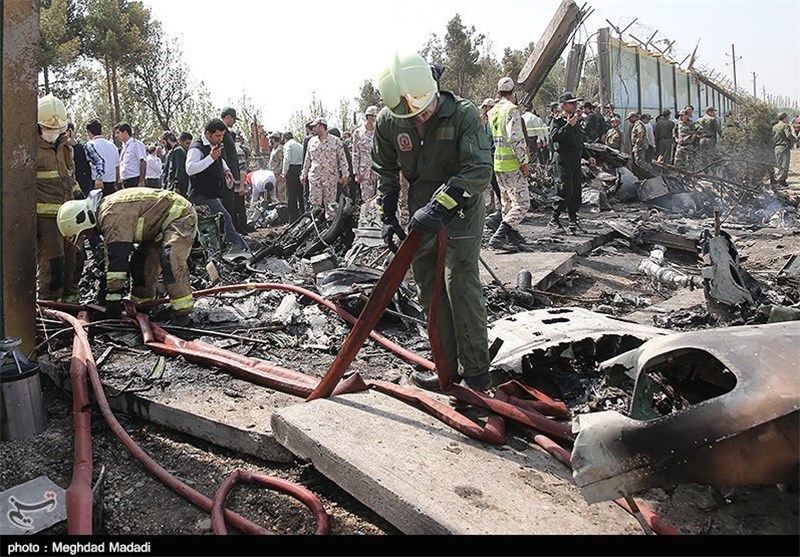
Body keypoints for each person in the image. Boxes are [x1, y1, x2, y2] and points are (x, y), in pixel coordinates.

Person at [372, 51, 493, 393]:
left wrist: (441, 207)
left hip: (461, 211)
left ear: (433, 86)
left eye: (423, 107)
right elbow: (385, 169)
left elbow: (479, 171)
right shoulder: (389, 121)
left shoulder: (465, 115)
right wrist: (388, 213)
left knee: (459, 283)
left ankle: (476, 373)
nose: (418, 115)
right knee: (430, 288)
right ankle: (447, 369)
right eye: (408, 114)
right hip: (419, 213)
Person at [56, 188, 197, 324]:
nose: (87, 236)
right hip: (157, 226)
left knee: (170, 258)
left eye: (84, 233)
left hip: (180, 216)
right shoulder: (105, 216)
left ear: (84, 219)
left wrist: (113, 299)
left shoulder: (111, 214)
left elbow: (118, 259)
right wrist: (105, 290)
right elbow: (110, 259)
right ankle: (144, 307)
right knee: (141, 264)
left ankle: (182, 314)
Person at [35, 94, 83, 304]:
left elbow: (69, 177)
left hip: (69, 215)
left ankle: (71, 301)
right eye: (49, 129)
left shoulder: (65, 147)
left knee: (75, 259)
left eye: (57, 129)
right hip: (46, 218)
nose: (53, 133)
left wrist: (81, 199)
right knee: (53, 262)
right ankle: (49, 305)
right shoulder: (31, 149)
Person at [186, 118, 250, 256]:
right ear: (208, 134)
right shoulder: (196, 148)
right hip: (202, 195)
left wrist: (226, 170)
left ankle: (222, 253)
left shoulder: (213, 144)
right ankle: (242, 251)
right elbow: (190, 169)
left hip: (212, 193)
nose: (220, 139)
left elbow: (219, 160)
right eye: (218, 136)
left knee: (217, 225)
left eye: (222, 135)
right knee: (225, 219)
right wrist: (210, 158)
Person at [487, 76, 531, 251]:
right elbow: (514, 138)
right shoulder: (511, 110)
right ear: (513, 92)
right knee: (522, 203)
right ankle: (499, 236)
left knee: (507, 203)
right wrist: (524, 162)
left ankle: (510, 236)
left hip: (498, 162)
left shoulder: (493, 111)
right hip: (512, 163)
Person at [548, 91, 596, 234]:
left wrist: (588, 156)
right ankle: (554, 219)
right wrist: (568, 125)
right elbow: (555, 137)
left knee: (576, 192)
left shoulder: (576, 122)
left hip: (575, 160)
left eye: (575, 103)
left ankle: (573, 220)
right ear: (563, 106)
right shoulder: (557, 121)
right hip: (563, 160)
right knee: (564, 190)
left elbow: (579, 142)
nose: (574, 105)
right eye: (571, 103)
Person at [300, 117, 349, 222]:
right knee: (315, 206)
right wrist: (303, 174)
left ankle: (330, 228)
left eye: (315, 126)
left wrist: (345, 175)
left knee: (330, 207)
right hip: (315, 179)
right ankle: (315, 229)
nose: (313, 128)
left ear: (322, 126)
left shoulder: (336, 141)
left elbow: (342, 159)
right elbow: (307, 160)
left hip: (330, 179)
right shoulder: (311, 142)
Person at [351, 105, 381, 226]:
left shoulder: (380, 131)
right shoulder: (358, 132)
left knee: (380, 198)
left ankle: (380, 223)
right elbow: (355, 153)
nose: (375, 119)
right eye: (374, 116)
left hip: (379, 170)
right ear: (368, 117)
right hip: (365, 172)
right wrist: (356, 173)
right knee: (367, 200)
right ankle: (368, 224)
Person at [220, 107, 246, 234]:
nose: (234, 121)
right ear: (228, 117)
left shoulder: (227, 133)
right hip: (226, 175)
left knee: (233, 206)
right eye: (234, 119)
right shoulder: (222, 132)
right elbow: (222, 154)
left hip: (230, 175)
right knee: (229, 207)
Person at [66, 122, 104, 199]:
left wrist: (98, 178)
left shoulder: (84, 147)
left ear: (70, 131)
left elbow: (99, 161)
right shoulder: (57, 148)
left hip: (84, 187)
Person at [85, 119, 120, 196]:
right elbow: (117, 167)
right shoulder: (113, 146)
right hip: (111, 184)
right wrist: (116, 183)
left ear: (89, 132)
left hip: (96, 184)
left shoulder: (90, 145)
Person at [114, 122, 147, 188]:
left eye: (118, 133)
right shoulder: (124, 147)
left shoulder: (136, 144)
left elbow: (143, 162)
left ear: (125, 132)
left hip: (134, 180)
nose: (116, 135)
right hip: (125, 181)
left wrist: (141, 181)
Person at [281, 131, 305, 222]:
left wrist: (284, 173)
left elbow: (287, 159)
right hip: (300, 169)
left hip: (292, 170)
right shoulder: (299, 145)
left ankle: (293, 218)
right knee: (301, 194)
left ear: (285, 138)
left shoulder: (288, 145)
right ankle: (303, 215)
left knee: (291, 195)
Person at [773, 112, 797, 187]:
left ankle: (778, 180)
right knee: (784, 165)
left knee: (779, 164)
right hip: (784, 147)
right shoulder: (785, 126)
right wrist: (795, 139)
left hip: (777, 147)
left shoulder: (775, 126)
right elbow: (788, 135)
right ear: (784, 118)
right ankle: (781, 181)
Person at [165, 132, 192, 196]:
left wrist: (177, 186)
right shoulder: (179, 150)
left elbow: (180, 169)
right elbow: (178, 169)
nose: (189, 146)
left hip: (177, 187)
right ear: (180, 141)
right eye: (187, 143)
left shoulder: (179, 150)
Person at [266, 131, 285, 201]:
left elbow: (282, 162)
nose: (269, 141)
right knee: (275, 195)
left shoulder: (280, 149)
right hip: (273, 175)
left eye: (271, 139)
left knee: (281, 194)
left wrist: (281, 173)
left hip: (278, 175)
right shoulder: (274, 149)